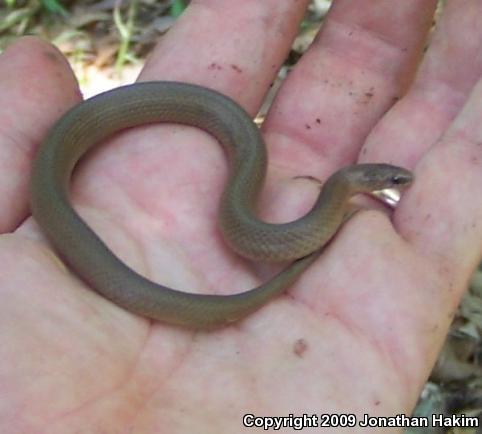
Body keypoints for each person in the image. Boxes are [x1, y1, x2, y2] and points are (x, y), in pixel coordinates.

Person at [1, 1, 481, 432]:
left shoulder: (326, 192)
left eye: (393, 182)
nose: (398, 185)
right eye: (394, 181)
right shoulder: (325, 195)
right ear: (362, 182)